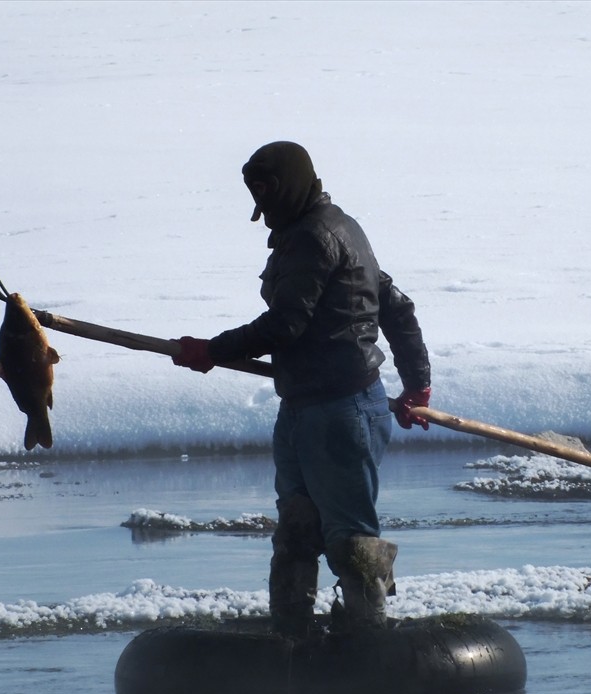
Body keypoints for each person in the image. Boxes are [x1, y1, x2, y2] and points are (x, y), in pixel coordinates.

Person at [172, 141, 432, 639]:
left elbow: (288, 323)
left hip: (342, 411)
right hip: (303, 408)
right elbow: (394, 307)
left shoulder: (318, 236)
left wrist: (214, 350)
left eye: (267, 193)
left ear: (290, 185)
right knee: (297, 525)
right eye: (256, 195)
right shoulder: (327, 229)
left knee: (350, 538)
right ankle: (292, 636)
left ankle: (366, 643)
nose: (262, 208)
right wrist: (416, 382)